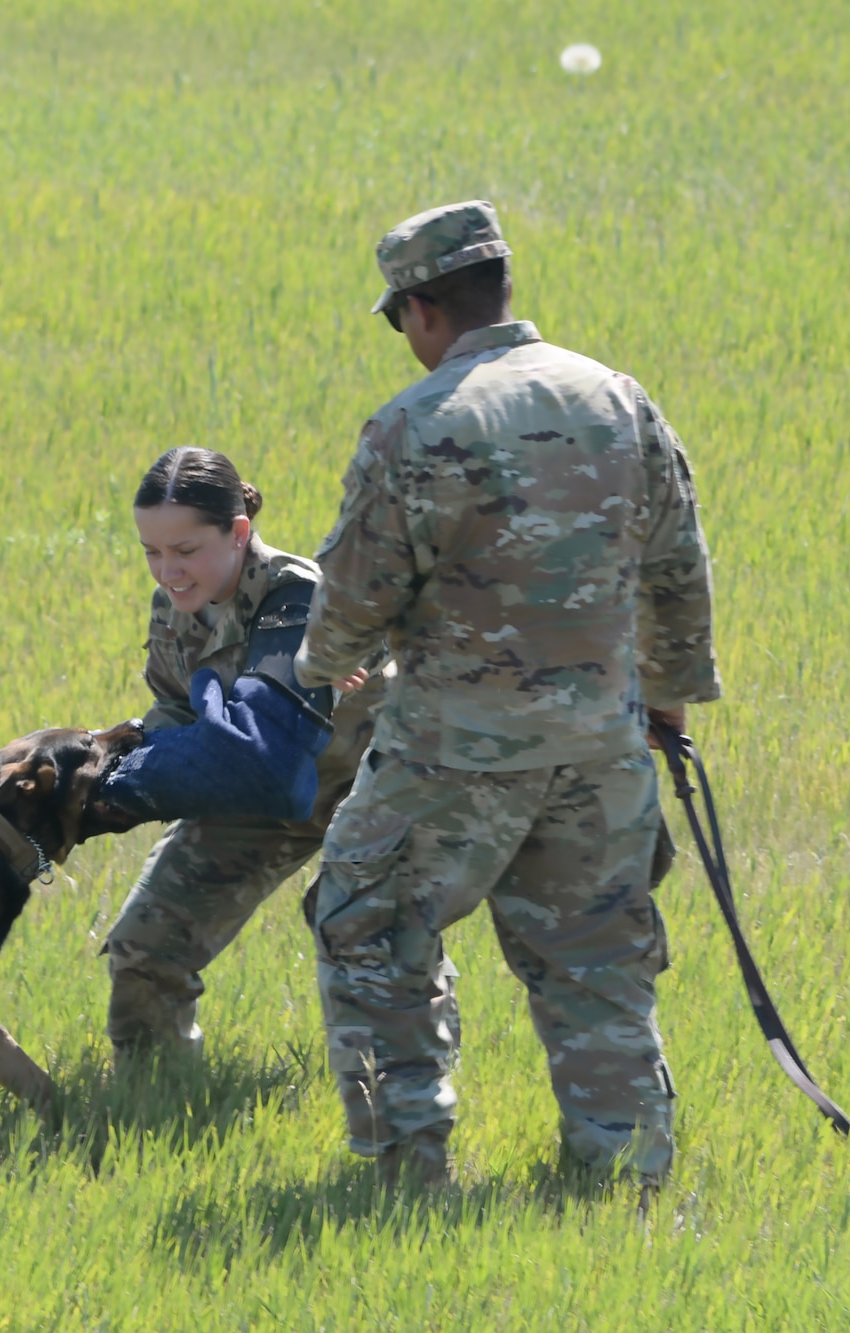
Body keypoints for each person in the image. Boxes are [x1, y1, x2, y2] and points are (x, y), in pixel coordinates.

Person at [293, 201, 720, 1190]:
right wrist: (665, 700)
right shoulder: (614, 397)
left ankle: (405, 1161)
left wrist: (324, 666)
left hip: (450, 758)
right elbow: (675, 564)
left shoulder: (416, 423)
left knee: (364, 921)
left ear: (423, 308)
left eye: (400, 316)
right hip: (598, 752)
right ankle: (623, 1172)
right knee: (594, 963)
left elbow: (353, 600)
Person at [102, 448, 382, 1058]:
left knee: (365, 932)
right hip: (259, 797)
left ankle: (392, 1106)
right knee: (147, 944)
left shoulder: (295, 594)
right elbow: (174, 711)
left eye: (184, 551)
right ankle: (153, 1102)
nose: (167, 571)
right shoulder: (175, 605)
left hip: (374, 791)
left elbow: (265, 750)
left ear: (237, 532)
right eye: (151, 552)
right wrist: (97, 771)